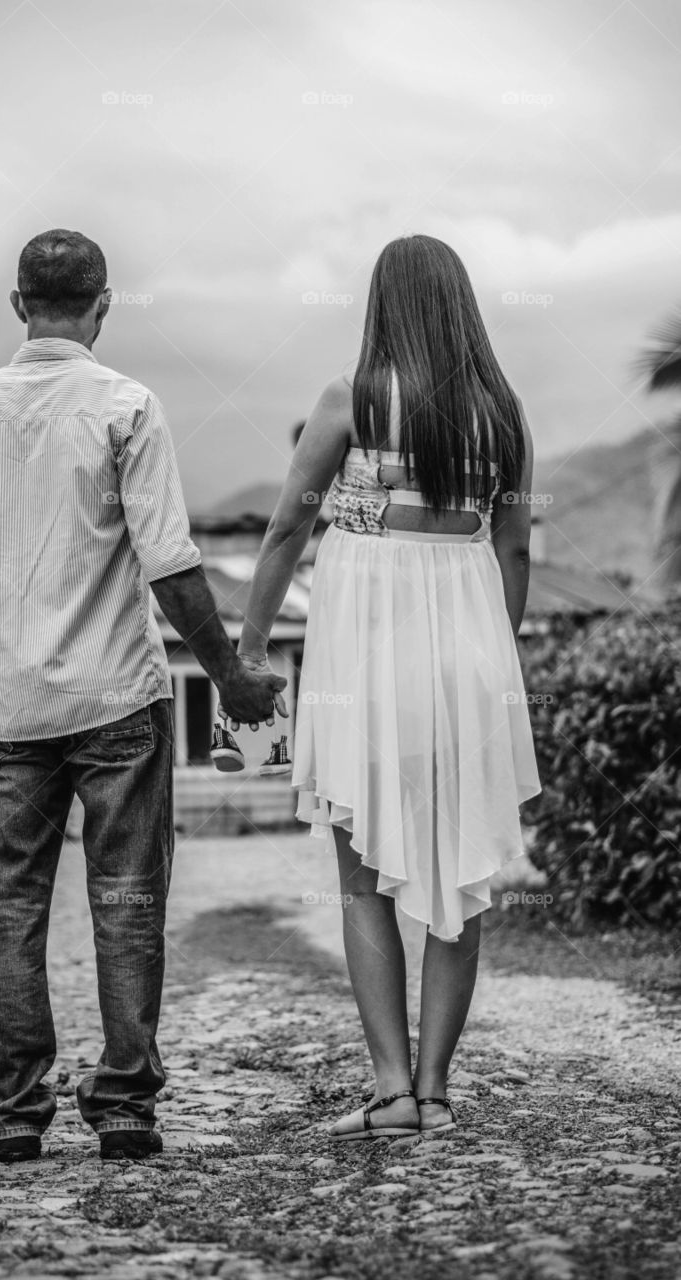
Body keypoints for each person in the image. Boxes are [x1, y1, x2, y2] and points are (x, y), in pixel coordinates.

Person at [0, 228, 286, 1164]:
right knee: (125, 900)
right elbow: (171, 564)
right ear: (103, 303)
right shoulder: (126, 405)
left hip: (7, 715)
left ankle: (14, 1113)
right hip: (118, 704)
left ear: (16, 304)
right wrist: (229, 674)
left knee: (10, 910)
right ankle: (122, 1107)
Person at [239, 234, 541, 1142]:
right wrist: (495, 654)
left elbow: (287, 532)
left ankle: (390, 1092)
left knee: (361, 873)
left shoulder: (354, 397)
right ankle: (439, 1091)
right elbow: (515, 548)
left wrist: (249, 647)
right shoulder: (503, 414)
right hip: (467, 660)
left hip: (362, 666)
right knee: (464, 870)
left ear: (384, 303)